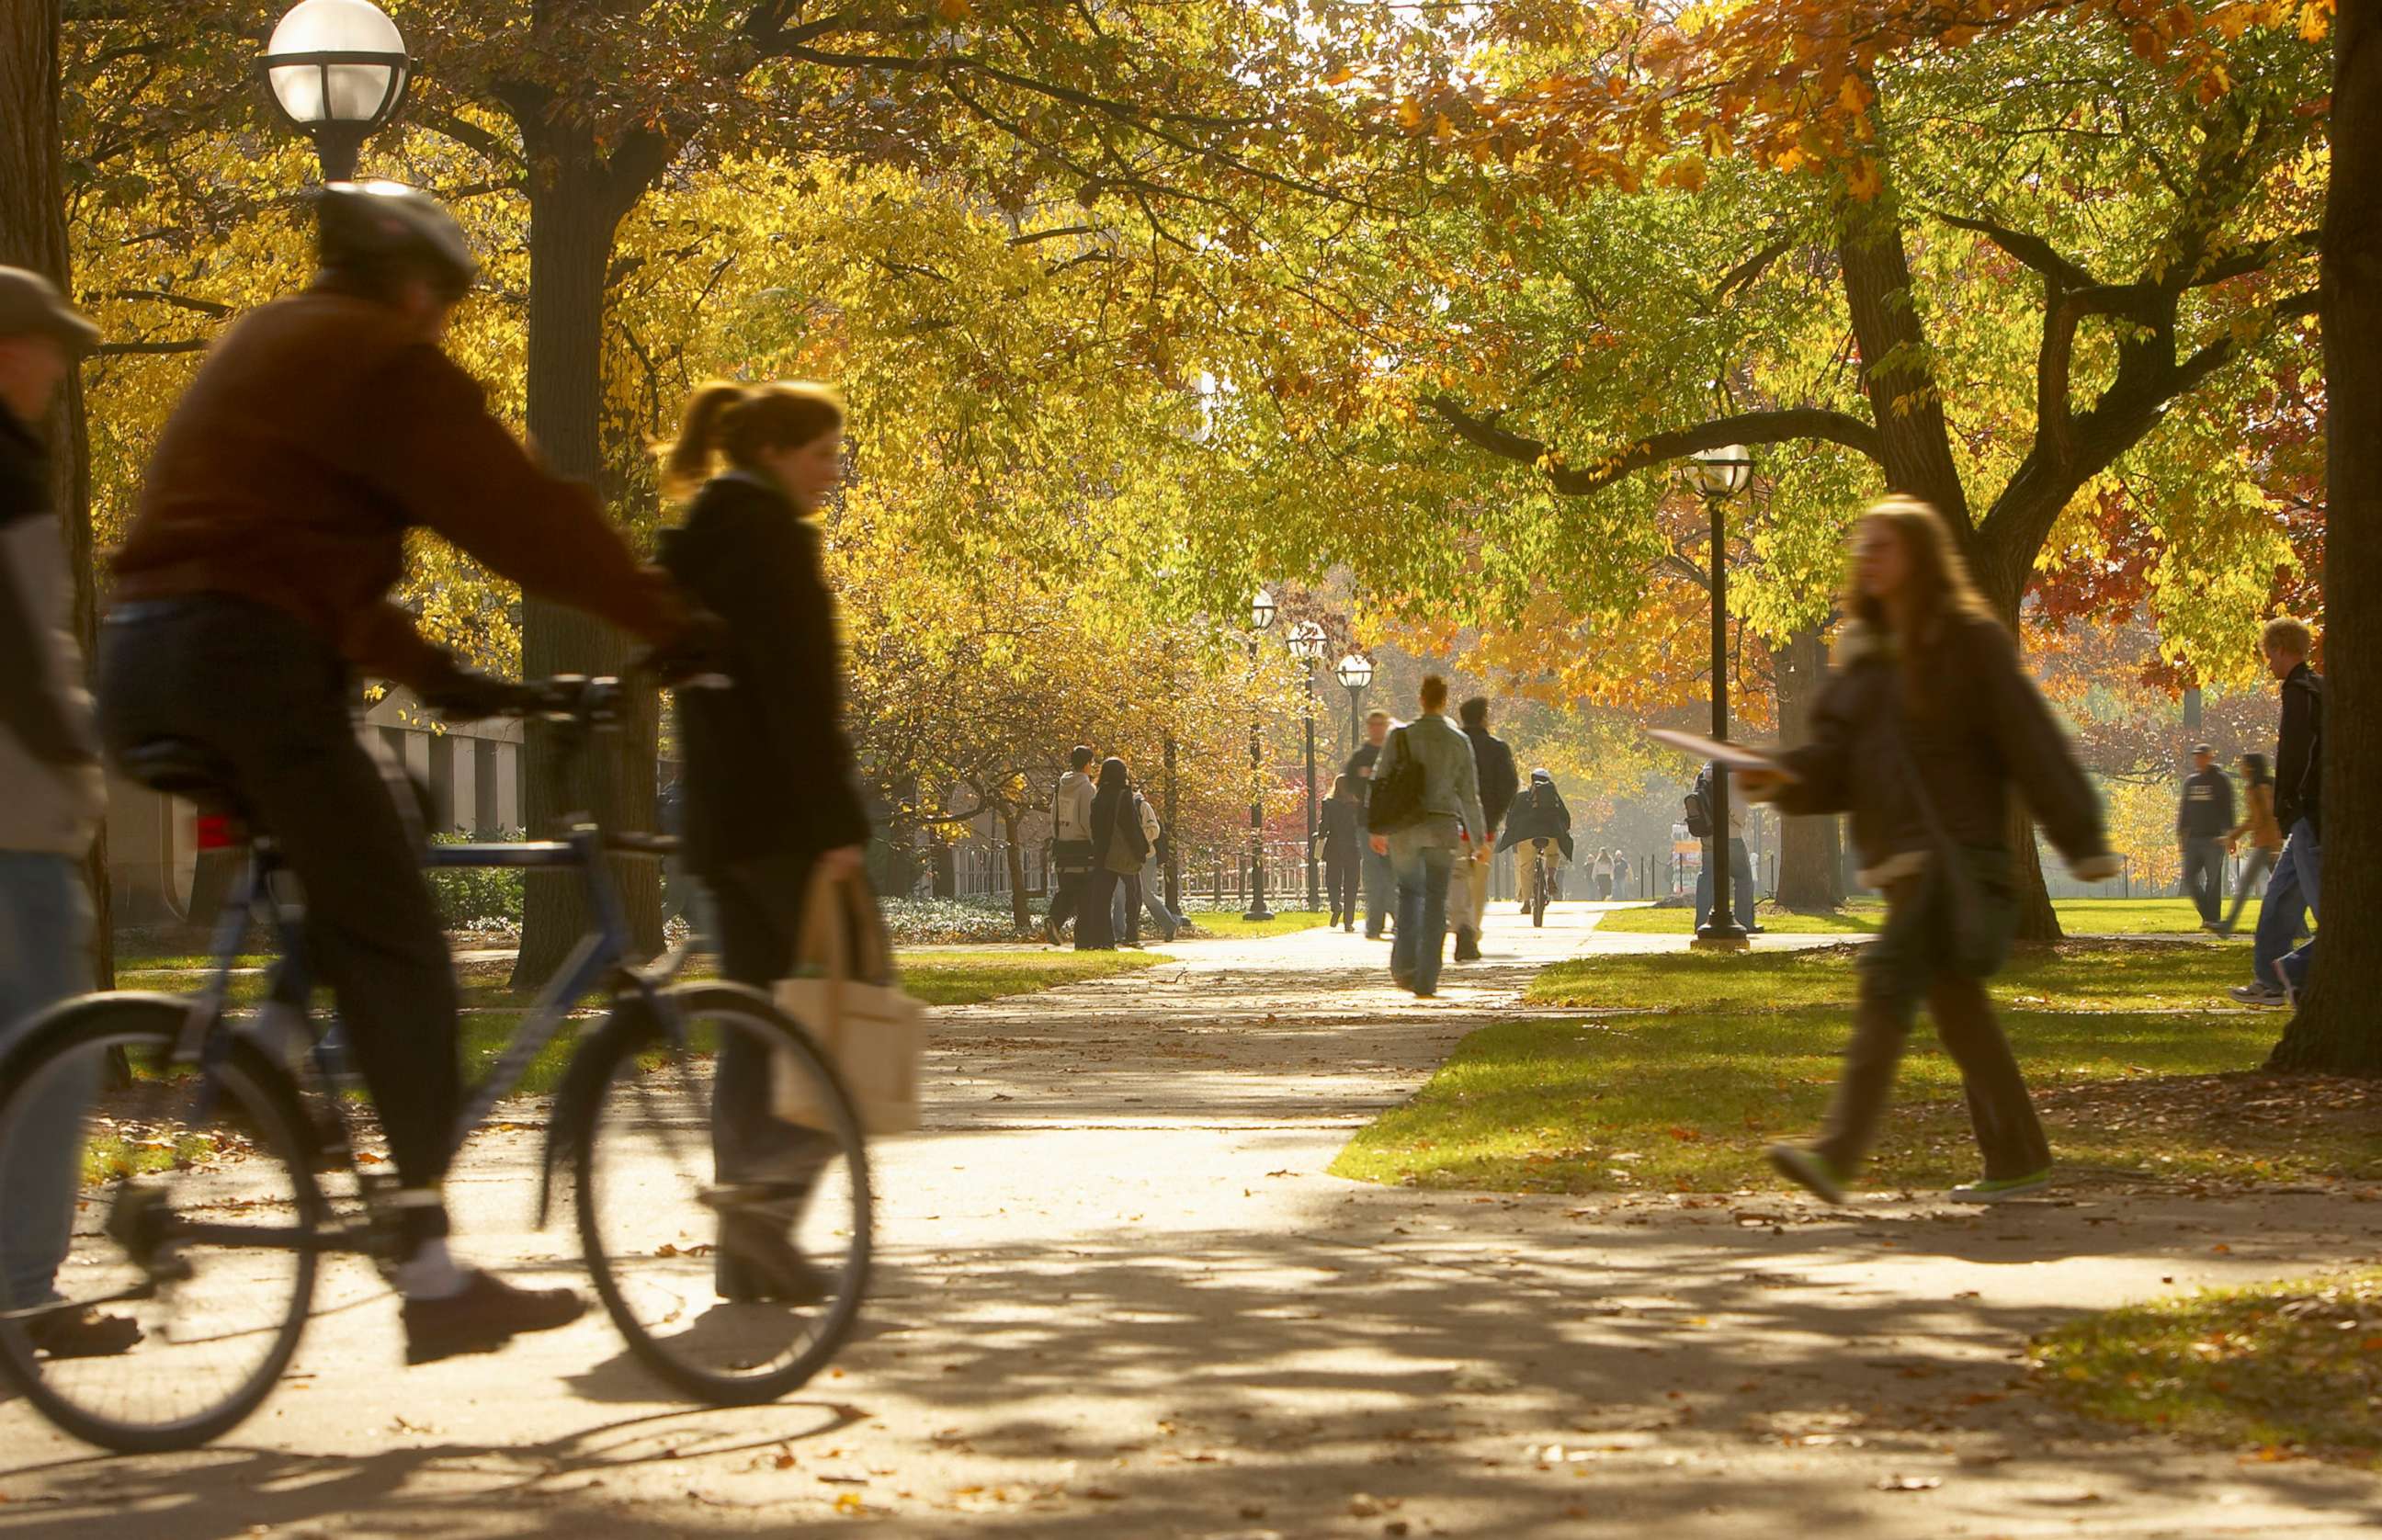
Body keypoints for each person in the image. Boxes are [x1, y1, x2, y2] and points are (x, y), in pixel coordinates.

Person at [96, 183, 713, 1363]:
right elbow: (523, 514)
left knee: (393, 805)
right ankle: (429, 1271)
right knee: (401, 945)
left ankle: (271, 1044)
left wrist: (442, 676)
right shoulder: (382, 360)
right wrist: (664, 618)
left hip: (150, 661)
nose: (441, 322)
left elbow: (299, 563)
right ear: (417, 283)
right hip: (246, 664)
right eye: (444, 299)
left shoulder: (267, 340)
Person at [1741, 496, 2117, 1206]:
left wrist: (2080, 836)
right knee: (1958, 1011)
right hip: (1902, 865)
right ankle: (2019, 1157)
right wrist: (1781, 778)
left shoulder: (1966, 643)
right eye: (1864, 547)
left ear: (1919, 555)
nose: (1869, 558)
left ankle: (1837, 1155)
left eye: (1883, 545)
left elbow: (2028, 739)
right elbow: (1837, 767)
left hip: (1955, 855)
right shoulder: (1862, 660)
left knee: (1888, 979)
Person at [655, 379, 875, 1302]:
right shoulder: (774, 546)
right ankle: (767, 1215)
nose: (833, 471)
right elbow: (797, 701)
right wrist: (837, 824)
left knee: (753, 1033)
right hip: (787, 826)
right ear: (778, 451)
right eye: (823, 452)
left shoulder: (699, 542)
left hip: (722, 828)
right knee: (850, 1024)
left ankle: (745, 1255)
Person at [0, 268, 136, 1358]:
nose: (61, 369)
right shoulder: (6, 467)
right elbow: (19, 647)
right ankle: (21, 1292)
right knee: (54, 1053)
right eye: (50, 348)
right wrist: (77, 755)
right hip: (13, 812)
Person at [1367, 675, 1488, 998]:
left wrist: (1376, 827)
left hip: (1406, 827)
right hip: (1443, 826)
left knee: (1408, 894)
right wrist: (1478, 840)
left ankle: (1405, 964)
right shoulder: (1458, 741)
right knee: (1436, 900)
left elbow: (1380, 781)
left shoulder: (1401, 736)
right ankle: (1428, 975)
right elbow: (1469, 795)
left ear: (1421, 698)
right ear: (1444, 699)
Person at [2236, 617, 2322, 1005]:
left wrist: (2286, 804)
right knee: (2279, 899)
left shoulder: (2301, 692)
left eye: (2268, 653)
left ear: (2283, 650)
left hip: (2310, 815)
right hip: (2304, 816)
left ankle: (2297, 969)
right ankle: (2270, 980)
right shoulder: (2314, 687)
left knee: (2326, 907)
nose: (2267, 661)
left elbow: (2297, 756)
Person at [1452, 696, 1518, 962]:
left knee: (1457, 876)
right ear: (1483, 717)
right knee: (1478, 881)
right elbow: (1510, 785)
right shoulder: (1497, 748)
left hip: (1454, 823)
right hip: (1486, 825)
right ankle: (1474, 930)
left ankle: (1461, 927)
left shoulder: (1453, 745)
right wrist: (1495, 816)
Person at [1078, 757, 1147, 951]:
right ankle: (1132, 933)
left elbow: (1094, 827)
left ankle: (1104, 939)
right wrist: (1141, 850)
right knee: (1133, 894)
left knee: (1102, 897)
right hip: (1123, 853)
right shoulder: (1124, 796)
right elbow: (1131, 827)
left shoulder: (1098, 797)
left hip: (1102, 852)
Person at [2212, 752, 2279, 939]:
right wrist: (2232, 836)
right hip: (2262, 843)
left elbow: (2272, 816)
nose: (2240, 767)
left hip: (2268, 845)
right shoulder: (2252, 788)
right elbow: (2252, 820)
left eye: (2242, 764)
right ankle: (2227, 926)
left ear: (2250, 767)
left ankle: (2227, 926)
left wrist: (2276, 846)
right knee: (2282, 888)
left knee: (2255, 885)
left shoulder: (2263, 788)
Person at [1346, 708, 1398, 939]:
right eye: (1373, 724)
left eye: (1381, 724)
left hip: (1395, 823)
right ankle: (1375, 922)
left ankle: (1398, 918)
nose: (1377, 728)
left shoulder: (1396, 753)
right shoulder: (1361, 756)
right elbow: (1351, 784)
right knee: (1373, 872)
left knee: (1395, 872)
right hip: (1366, 823)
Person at [1692, 763, 1760, 934]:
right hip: (1730, 834)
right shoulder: (1734, 775)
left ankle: (1701, 922)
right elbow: (1737, 809)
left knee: (1707, 876)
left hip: (1707, 835)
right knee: (1743, 877)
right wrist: (1739, 823)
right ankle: (1745, 922)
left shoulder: (1702, 775)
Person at [2175, 743, 2234, 930]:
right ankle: (2208, 915)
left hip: (2214, 839)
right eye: (2196, 756)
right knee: (2189, 878)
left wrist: (2230, 836)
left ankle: (2213, 918)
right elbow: (2184, 811)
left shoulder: (2221, 780)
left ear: (2210, 757)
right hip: (2194, 838)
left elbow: (2228, 810)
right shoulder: (2191, 782)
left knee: (2213, 880)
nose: (2198, 760)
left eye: (2202, 756)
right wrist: (2181, 836)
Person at [1044, 745, 1097, 944]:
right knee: (1086, 897)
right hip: (1083, 848)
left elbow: (1054, 817)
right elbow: (1087, 820)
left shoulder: (1061, 787)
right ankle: (1083, 941)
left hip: (1063, 847)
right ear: (1086, 764)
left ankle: (1055, 919)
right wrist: (1095, 842)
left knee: (1067, 891)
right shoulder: (1086, 788)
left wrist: (1058, 837)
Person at [1497, 769, 1574, 903]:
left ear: (1532, 779)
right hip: (1551, 834)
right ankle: (1550, 876)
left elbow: (1510, 820)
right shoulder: (1554, 797)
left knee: (1526, 868)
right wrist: (1562, 832)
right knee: (1553, 855)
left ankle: (1526, 903)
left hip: (1526, 836)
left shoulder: (1521, 797)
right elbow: (1566, 818)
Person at [1320, 774, 1365, 931]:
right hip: (1353, 848)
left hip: (1334, 847)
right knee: (1351, 885)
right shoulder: (1357, 805)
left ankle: (1335, 906)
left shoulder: (1328, 803)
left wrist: (1320, 835)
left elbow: (1324, 826)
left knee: (1332, 881)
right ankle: (1348, 922)